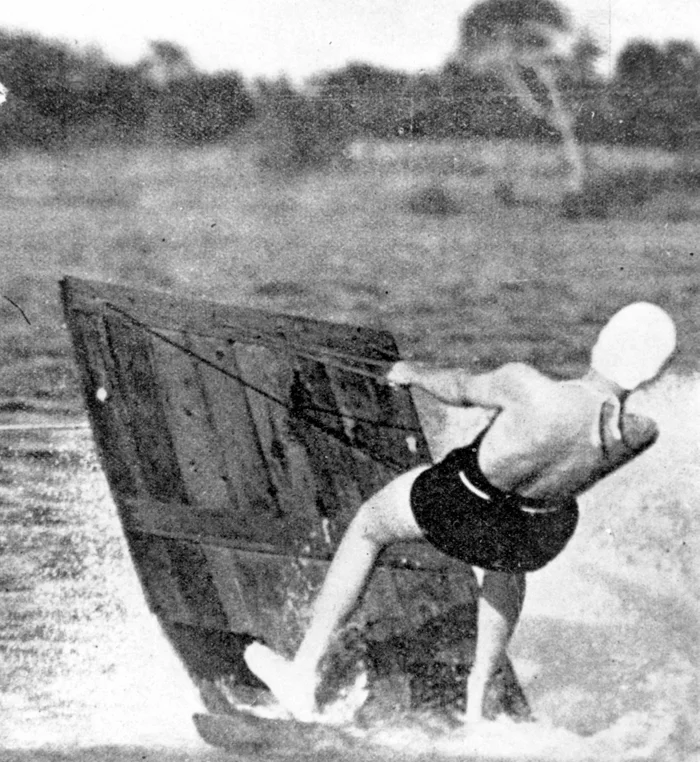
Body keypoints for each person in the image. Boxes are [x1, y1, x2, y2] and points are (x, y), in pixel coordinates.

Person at [244, 302, 676, 724]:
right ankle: (477, 703)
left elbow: (458, 387)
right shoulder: (638, 433)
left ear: (601, 344)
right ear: (649, 372)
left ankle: (302, 670)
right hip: (534, 534)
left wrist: (411, 374)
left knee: (369, 527)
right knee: (507, 558)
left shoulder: (528, 386)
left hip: (461, 506)